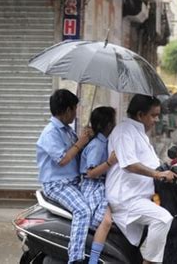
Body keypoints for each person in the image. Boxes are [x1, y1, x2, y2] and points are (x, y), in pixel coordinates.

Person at [105, 94, 177, 264]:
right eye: (153, 115)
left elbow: (151, 163)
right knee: (163, 218)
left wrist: (170, 166)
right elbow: (129, 164)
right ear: (140, 115)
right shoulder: (124, 131)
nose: (157, 120)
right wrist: (157, 174)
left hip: (139, 197)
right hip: (126, 198)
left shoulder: (140, 134)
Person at [36, 89, 94, 264]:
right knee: (83, 211)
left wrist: (88, 139)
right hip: (58, 184)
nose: (76, 114)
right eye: (75, 109)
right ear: (67, 110)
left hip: (73, 182)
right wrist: (80, 142)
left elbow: (77, 151)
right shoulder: (50, 133)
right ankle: (75, 258)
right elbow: (62, 159)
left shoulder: (67, 130)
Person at [79, 106, 117, 264]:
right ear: (108, 125)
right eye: (113, 122)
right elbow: (91, 173)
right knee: (106, 221)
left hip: (101, 184)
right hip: (92, 186)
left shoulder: (105, 142)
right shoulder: (98, 145)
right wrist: (110, 162)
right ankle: (93, 261)